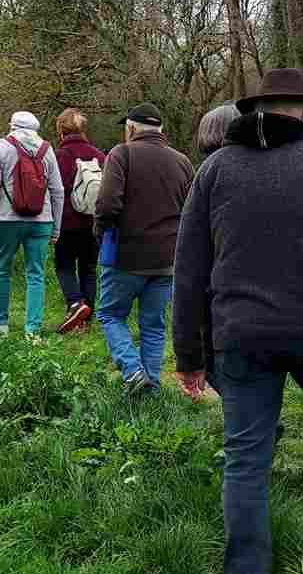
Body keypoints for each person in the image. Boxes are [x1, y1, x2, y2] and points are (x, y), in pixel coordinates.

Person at [172, 69, 303, 574]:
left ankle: (247, 564)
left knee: (246, 453)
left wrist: (188, 353)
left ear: (257, 111)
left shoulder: (216, 170)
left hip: (242, 334)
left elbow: (190, 268)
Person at [94, 103, 194, 392]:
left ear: (131, 128)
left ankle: (134, 372)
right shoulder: (182, 161)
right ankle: (151, 388)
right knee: (153, 325)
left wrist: (100, 232)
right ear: (161, 130)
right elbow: (191, 211)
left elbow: (107, 203)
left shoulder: (121, 154)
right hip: (167, 258)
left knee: (111, 315)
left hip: (125, 255)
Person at [0, 111, 65, 336]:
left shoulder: (1, 146)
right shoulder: (47, 149)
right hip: (42, 220)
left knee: (1, 269)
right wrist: (57, 227)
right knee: (36, 274)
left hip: (8, 220)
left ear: (12, 126)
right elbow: (58, 190)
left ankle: (1, 325)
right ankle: (33, 331)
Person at [53, 108, 106, 333]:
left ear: (61, 131)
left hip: (66, 222)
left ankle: (76, 304)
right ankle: (86, 319)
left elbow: (55, 190)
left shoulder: (60, 155)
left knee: (64, 266)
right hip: (92, 222)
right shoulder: (99, 155)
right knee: (89, 269)